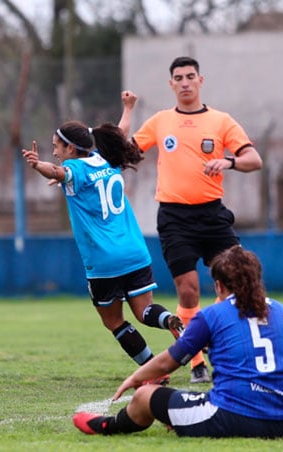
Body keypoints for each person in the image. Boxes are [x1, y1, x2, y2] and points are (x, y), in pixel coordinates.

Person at [120, 56, 263, 383]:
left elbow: (254, 159)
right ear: (171, 84)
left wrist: (228, 162)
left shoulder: (221, 120)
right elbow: (126, 153)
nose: (185, 82)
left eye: (190, 76)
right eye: (178, 78)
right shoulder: (160, 121)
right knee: (188, 292)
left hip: (213, 215)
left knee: (235, 282)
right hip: (174, 217)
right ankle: (196, 361)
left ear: (201, 80)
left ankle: (225, 342)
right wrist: (126, 113)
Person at [21, 103, 184, 382]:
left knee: (113, 321)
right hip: (135, 252)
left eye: (57, 147)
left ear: (71, 149)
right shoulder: (105, 158)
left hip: (104, 260)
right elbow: (119, 134)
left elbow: (58, 172)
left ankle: (154, 374)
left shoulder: (74, 168)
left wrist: (39, 167)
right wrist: (128, 109)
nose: (55, 152)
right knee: (145, 311)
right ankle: (168, 319)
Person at [73, 245, 283, 439]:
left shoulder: (213, 315)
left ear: (219, 285)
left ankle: (109, 426)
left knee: (144, 395)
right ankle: (178, 415)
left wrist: (135, 377)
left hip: (233, 417)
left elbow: (167, 363)